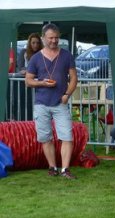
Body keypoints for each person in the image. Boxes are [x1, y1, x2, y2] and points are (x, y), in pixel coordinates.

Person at [25, 23, 78, 179]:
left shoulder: (67, 55)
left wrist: (67, 94)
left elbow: (74, 78)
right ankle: (52, 167)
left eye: (56, 37)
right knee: (45, 137)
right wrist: (42, 82)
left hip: (60, 102)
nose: (54, 41)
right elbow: (28, 81)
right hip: (41, 103)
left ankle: (65, 169)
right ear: (43, 38)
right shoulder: (35, 58)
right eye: (51, 38)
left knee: (67, 135)